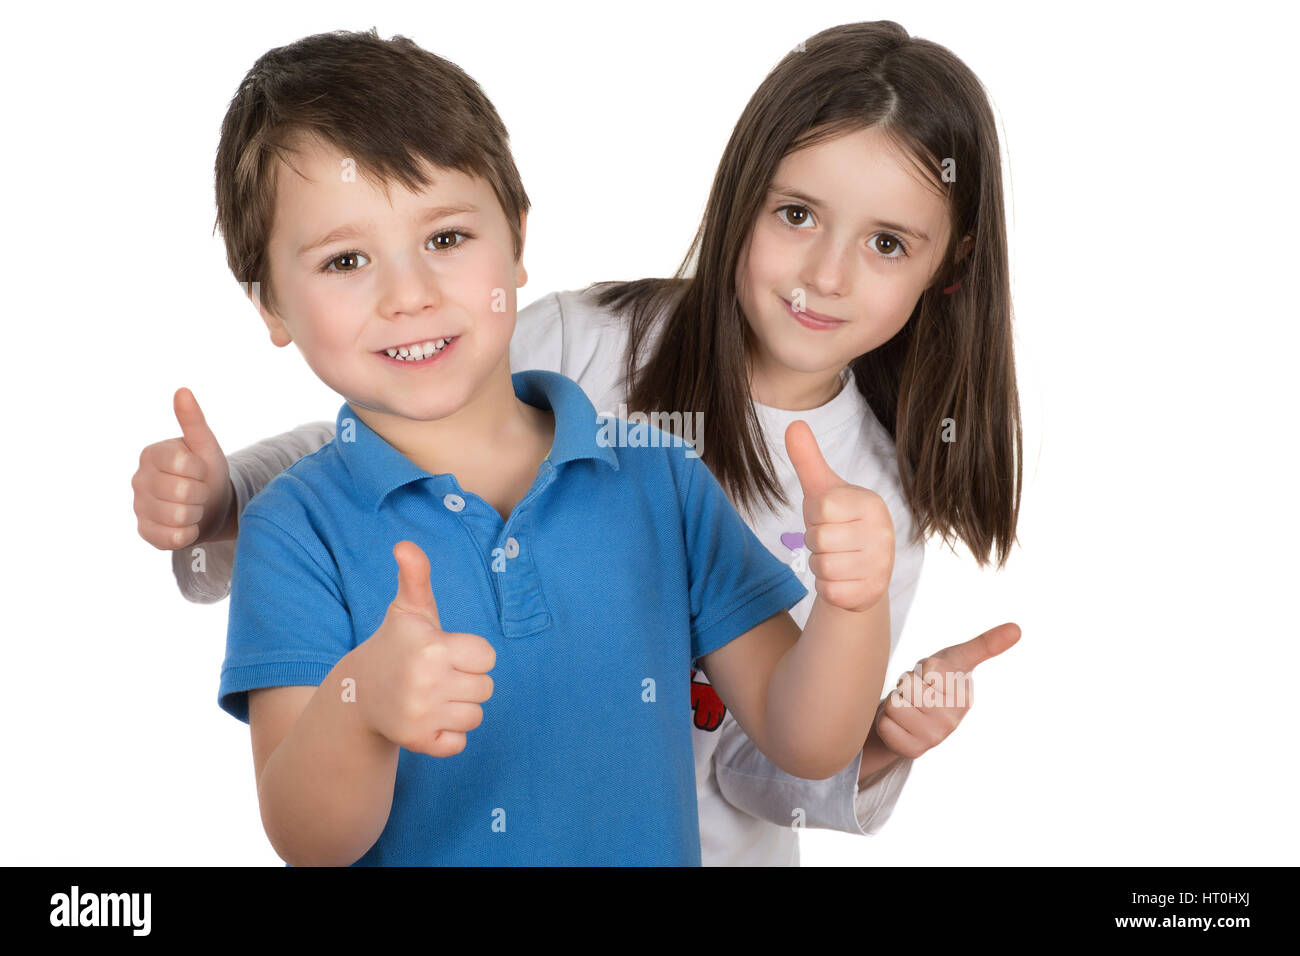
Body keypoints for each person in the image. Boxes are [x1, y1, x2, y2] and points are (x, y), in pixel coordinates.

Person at [133, 21, 1022, 865]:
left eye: (445, 238)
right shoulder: (575, 345)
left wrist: (853, 612)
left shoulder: (673, 483)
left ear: (517, 239)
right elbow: (308, 835)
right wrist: (358, 698)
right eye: (344, 260)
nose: (409, 295)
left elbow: (795, 745)